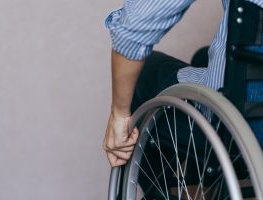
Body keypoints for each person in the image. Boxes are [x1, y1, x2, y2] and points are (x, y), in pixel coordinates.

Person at [102, 0, 263, 167]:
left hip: (244, 131)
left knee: (142, 74)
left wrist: (118, 114)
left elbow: (136, 26)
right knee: (202, 58)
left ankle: (178, 190)